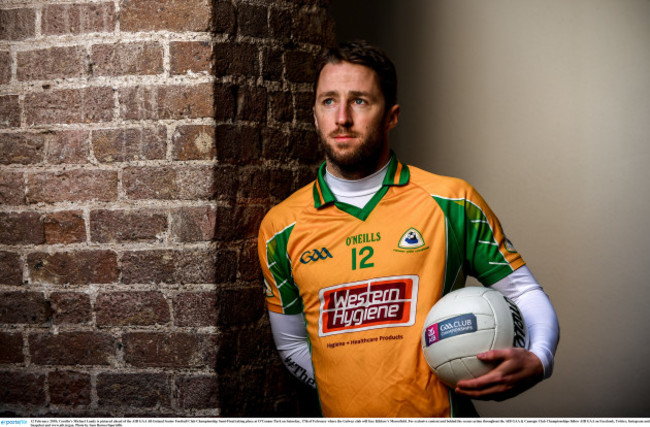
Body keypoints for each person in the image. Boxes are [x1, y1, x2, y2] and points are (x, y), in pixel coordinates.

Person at [257, 40, 559, 418]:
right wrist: (354, 380)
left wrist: (540, 357)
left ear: (392, 116)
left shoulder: (452, 200)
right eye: (329, 101)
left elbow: (525, 292)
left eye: (360, 101)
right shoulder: (280, 227)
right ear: (315, 114)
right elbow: (291, 345)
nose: (343, 118)